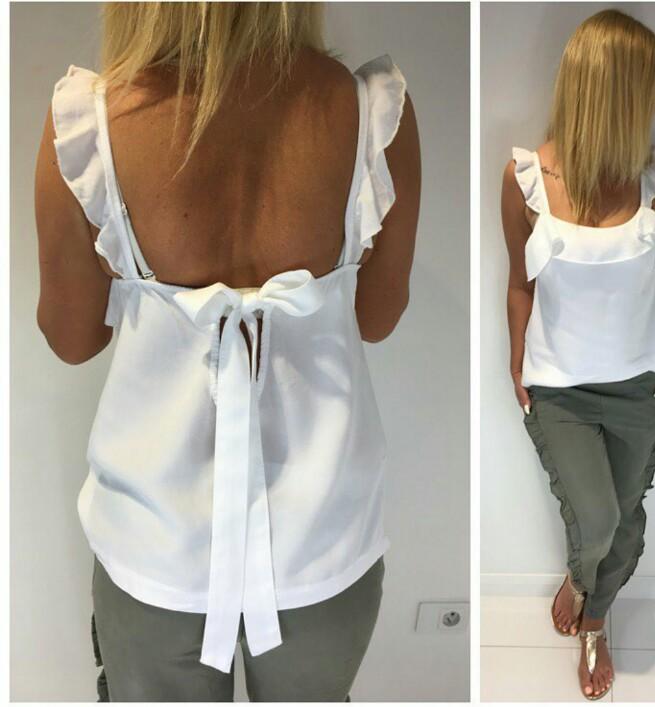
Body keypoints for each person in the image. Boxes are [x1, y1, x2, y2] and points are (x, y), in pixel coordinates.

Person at [34, 2, 421, 701]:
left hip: (155, 544)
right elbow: (378, 317)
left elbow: (71, 337)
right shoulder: (372, 112)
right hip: (322, 539)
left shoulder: (91, 120)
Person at [500, 9, 655, 701]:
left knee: (627, 520)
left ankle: (595, 620)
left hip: (642, 385)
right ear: (614, 88)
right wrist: (515, 360)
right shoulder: (525, 177)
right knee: (602, 518)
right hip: (559, 389)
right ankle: (584, 581)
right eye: (644, 82)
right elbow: (519, 283)